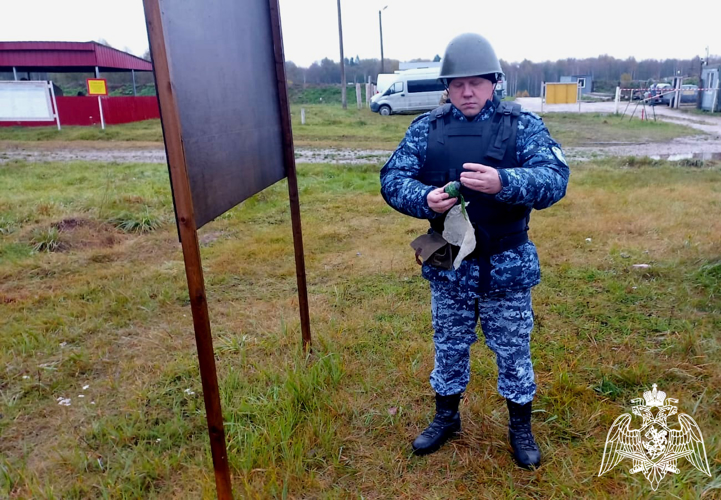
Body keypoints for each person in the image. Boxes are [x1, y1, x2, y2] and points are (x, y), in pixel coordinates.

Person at [379, 33, 569, 469]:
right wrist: (423, 198)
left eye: (477, 83)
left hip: (507, 266)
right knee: (448, 345)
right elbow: (392, 179)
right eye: (458, 84)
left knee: (513, 350)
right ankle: (447, 418)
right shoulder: (426, 129)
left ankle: (520, 425)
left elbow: (555, 178)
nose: (467, 92)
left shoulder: (522, 126)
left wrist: (506, 183)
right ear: (446, 86)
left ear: (493, 83)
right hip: (448, 263)